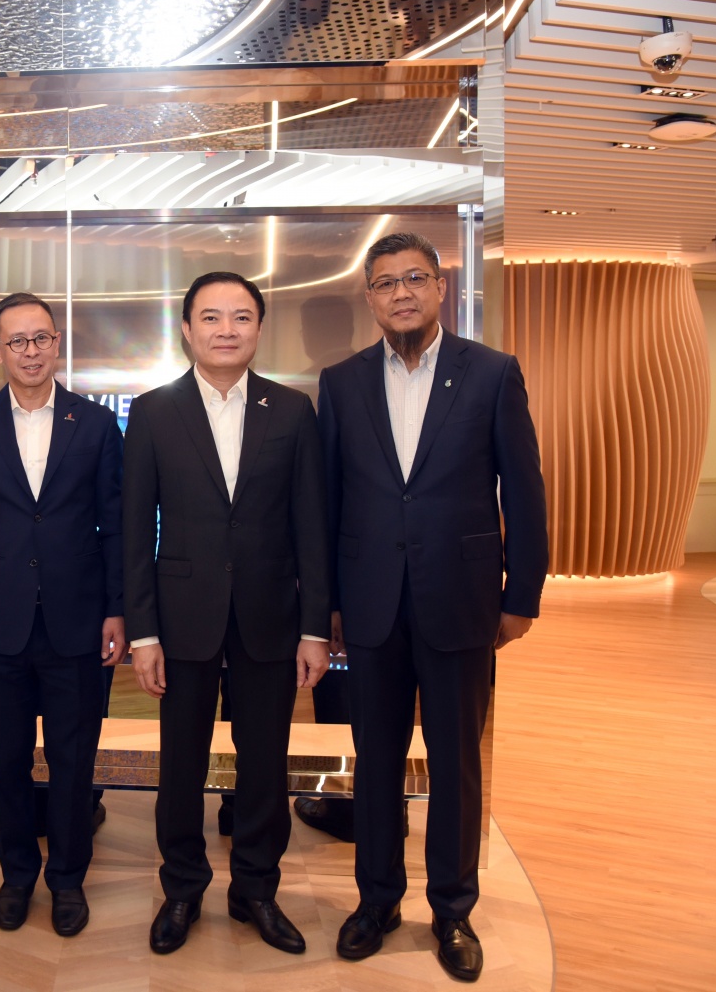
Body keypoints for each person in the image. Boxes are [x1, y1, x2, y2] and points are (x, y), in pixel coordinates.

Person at [318, 232, 547, 982]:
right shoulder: (341, 383)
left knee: (455, 765)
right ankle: (377, 900)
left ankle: (452, 908)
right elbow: (328, 503)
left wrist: (522, 594)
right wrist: (328, 604)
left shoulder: (492, 373)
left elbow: (525, 489)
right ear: (370, 298)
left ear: (441, 287)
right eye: (386, 283)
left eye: (415, 278)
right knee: (377, 760)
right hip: (370, 606)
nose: (402, 293)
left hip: (462, 600)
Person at [124, 271, 330, 956]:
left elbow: (312, 526)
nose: (226, 330)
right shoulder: (153, 412)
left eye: (241, 317)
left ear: (259, 328)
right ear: (187, 329)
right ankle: (182, 888)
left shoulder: (292, 410)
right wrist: (143, 631)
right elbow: (134, 531)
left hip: (272, 615)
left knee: (265, 763)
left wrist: (314, 626)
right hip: (182, 616)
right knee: (181, 763)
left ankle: (257, 890)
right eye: (210, 317)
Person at [0, 292, 125, 937]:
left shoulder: (95, 424)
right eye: (17, 340)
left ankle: (67, 880)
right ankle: (17, 875)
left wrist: (117, 610)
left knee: (74, 765)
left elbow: (115, 527)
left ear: (57, 342)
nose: (32, 351)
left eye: (42, 337)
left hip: (78, 624)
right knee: (6, 762)